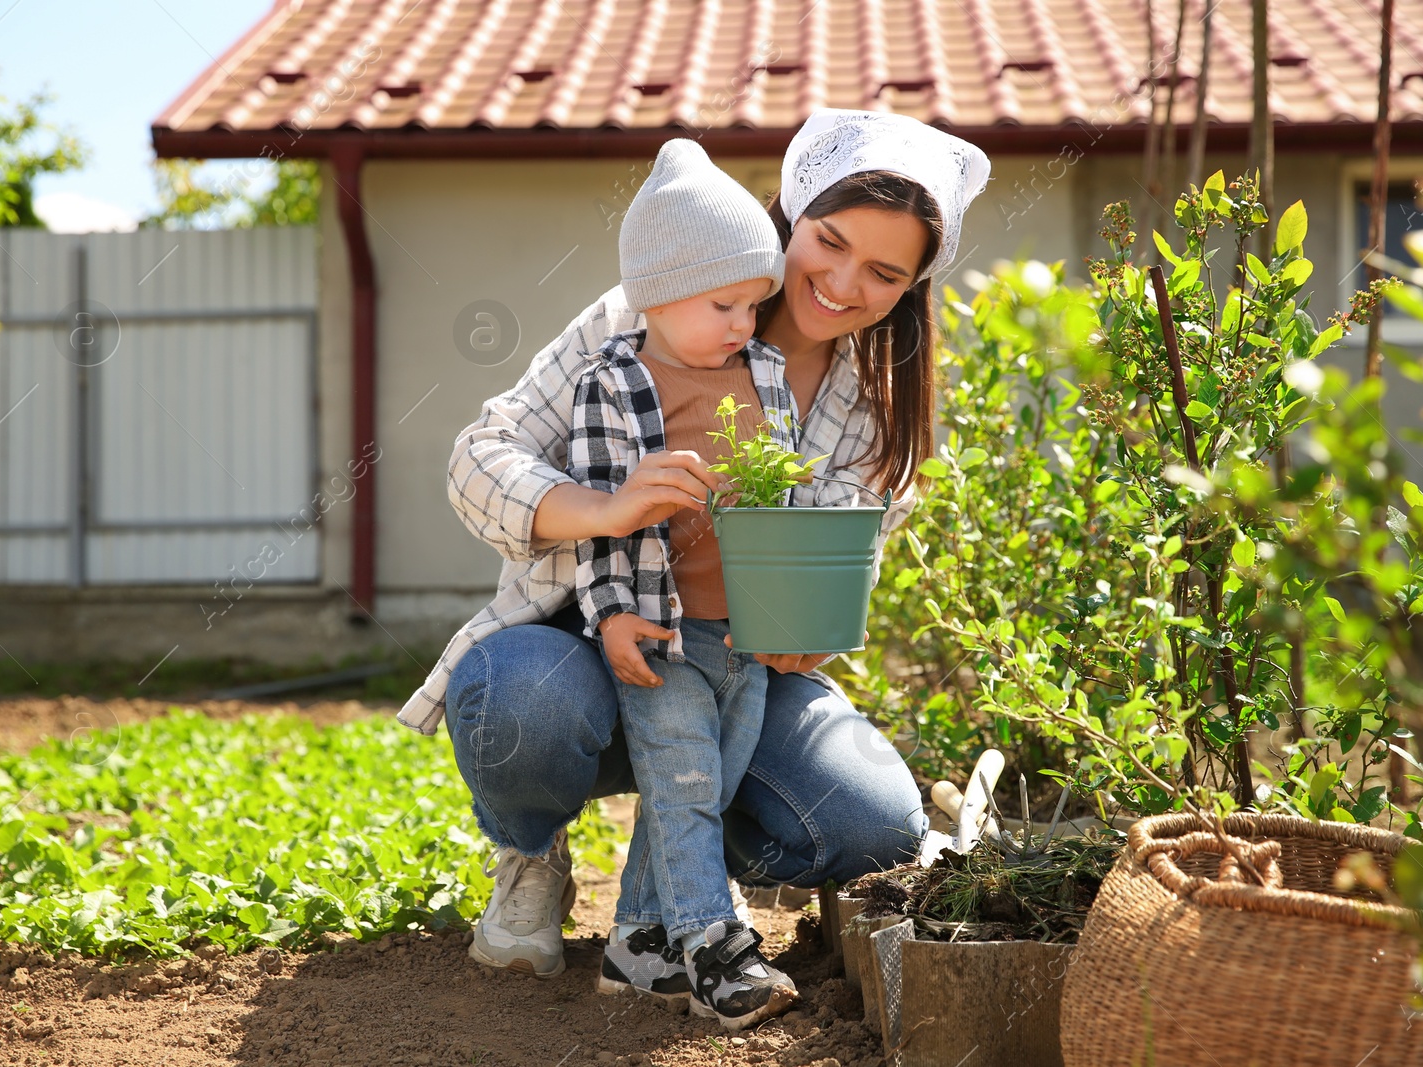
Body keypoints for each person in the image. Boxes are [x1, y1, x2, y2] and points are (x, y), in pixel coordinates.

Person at [398, 109, 991, 992]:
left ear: (911, 288)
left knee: (872, 823)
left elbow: (846, 554)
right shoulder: (650, 310)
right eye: (827, 241)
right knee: (514, 695)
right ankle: (531, 855)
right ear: (792, 214)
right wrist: (605, 507)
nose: (840, 282)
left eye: (883, 272)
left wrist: (817, 615)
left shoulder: (875, 400)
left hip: (742, 664)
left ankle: (683, 881)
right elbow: (479, 459)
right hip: (592, 642)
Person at [568, 138, 803, 1029]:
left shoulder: (767, 376)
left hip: (747, 629)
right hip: (662, 632)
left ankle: (636, 939)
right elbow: (603, 515)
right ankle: (717, 949)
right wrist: (611, 616)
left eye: (754, 303)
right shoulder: (614, 385)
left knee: (705, 782)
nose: (745, 322)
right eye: (724, 303)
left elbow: (790, 495)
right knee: (684, 786)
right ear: (657, 293)